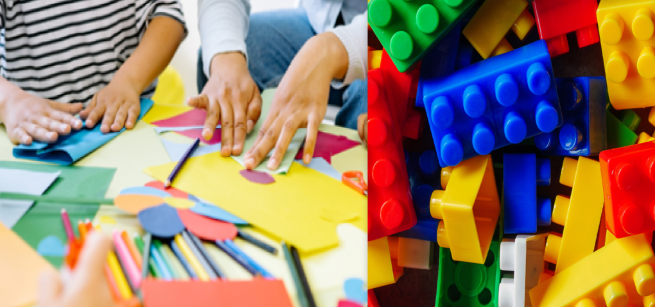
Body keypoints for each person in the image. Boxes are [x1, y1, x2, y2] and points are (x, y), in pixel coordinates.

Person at [192, 0, 367, 170]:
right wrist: (225, 56)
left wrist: (331, 50)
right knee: (218, 59)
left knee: (370, 106)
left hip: (385, 41)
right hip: (319, 21)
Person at [0, 0, 187, 145]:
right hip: (31, 134)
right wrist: (8, 101)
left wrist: (128, 81)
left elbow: (167, 14)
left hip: (125, 128)